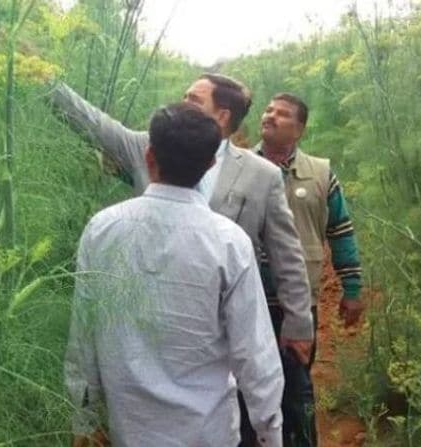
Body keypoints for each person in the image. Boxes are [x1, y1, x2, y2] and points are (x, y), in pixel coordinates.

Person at [64, 103, 284, 446]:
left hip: (129, 430)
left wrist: (85, 419)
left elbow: (84, 335)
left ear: (149, 156)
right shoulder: (227, 242)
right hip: (208, 433)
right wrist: (270, 434)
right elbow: (256, 356)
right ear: (210, 164)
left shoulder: (102, 229)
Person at [50, 73, 314, 360]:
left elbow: (286, 255)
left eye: (193, 99)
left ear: (222, 116)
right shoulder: (148, 147)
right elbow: (96, 125)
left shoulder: (261, 175)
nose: (183, 102)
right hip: (150, 313)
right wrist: (43, 78)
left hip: (221, 324)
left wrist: (299, 323)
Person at [255, 92, 365, 446]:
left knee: (297, 388)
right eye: (268, 109)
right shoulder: (237, 167)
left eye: (282, 114)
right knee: (246, 389)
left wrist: (351, 288)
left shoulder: (320, 173)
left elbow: (341, 230)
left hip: (298, 305)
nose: (270, 116)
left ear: (299, 129)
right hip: (245, 299)